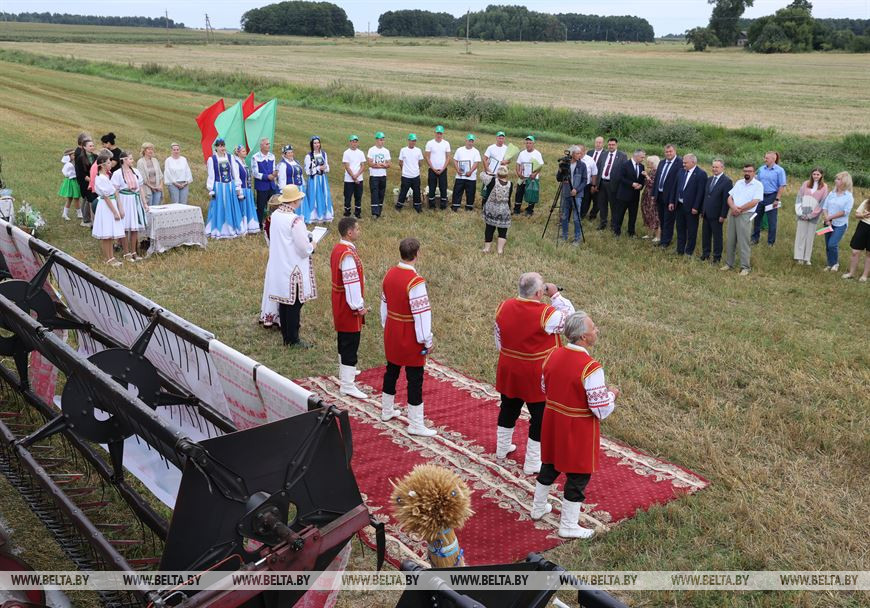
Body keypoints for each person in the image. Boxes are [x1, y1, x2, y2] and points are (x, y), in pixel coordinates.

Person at [530, 311, 618, 539]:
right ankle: (568, 525)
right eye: (593, 328)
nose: (596, 330)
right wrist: (612, 395)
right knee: (578, 475)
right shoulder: (591, 368)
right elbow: (600, 409)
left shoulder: (552, 355)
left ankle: (537, 508)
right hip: (577, 427)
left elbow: (543, 388)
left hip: (553, 421)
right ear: (583, 338)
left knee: (549, 464)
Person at [494, 273, 575, 475]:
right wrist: (555, 295)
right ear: (540, 293)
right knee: (540, 417)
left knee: (508, 406)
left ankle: (501, 449)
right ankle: (532, 462)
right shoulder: (547, 314)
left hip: (509, 367)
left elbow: (498, 338)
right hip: (536, 374)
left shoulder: (503, 306)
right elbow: (572, 321)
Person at [380, 238, 437, 436]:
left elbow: (384, 304)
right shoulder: (415, 282)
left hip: (393, 329)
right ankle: (416, 424)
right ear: (417, 254)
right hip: (410, 334)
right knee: (415, 379)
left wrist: (386, 325)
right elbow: (421, 314)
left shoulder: (389, 274)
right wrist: (426, 339)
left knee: (392, 370)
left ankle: (386, 410)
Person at [260, 185, 317, 346]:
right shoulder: (295, 220)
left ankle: (286, 334)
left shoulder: (276, 215)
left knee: (285, 301)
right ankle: (292, 338)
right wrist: (313, 245)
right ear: (295, 200)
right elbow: (303, 247)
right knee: (294, 303)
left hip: (280, 263)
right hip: (294, 266)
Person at [331, 217, 368, 398]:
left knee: (344, 339)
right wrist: (358, 306)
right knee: (350, 342)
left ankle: (346, 372)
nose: (359, 231)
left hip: (339, 301)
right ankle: (347, 384)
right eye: (357, 229)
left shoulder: (339, 249)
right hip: (348, 305)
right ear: (349, 232)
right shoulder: (347, 255)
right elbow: (351, 282)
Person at [721, 164, 763, 276]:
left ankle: (745, 267)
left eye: (749, 171)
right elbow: (729, 197)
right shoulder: (739, 183)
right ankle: (729, 264)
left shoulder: (758, 185)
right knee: (730, 240)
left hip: (745, 215)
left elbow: (755, 201)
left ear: (754, 173)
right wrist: (733, 207)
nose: (747, 173)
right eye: (745, 171)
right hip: (733, 213)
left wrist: (740, 209)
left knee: (743, 241)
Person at [111, 150, 147, 261]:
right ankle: (126, 253)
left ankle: (134, 252)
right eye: (130, 159)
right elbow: (115, 190)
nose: (132, 160)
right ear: (124, 160)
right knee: (125, 228)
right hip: (125, 200)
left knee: (134, 228)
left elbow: (140, 188)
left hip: (135, 201)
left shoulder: (135, 171)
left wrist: (144, 203)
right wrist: (119, 206)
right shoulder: (117, 174)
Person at [205, 139, 243, 239]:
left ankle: (232, 228)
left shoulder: (230, 158)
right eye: (220, 146)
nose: (222, 148)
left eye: (223, 146)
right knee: (220, 207)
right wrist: (211, 188)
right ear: (216, 148)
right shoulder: (212, 159)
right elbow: (211, 175)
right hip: (219, 187)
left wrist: (237, 186)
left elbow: (235, 173)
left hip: (230, 186)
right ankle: (219, 229)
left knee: (231, 207)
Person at [91, 153, 125, 267]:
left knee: (109, 234)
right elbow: (106, 196)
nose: (111, 164)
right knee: (106, 234)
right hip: (106, 207)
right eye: (109, 162)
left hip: (111, 204)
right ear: (103, 165)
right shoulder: (100, 178)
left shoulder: (106, 177)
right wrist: (115, 212)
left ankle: (112, 257)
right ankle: (108, 258)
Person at [672, 154, 707, 256]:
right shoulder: (681, 171)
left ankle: (689, 251)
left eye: (685, 162)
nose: (683, 164)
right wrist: (672, 201)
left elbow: (700, 193)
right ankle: (680, 250)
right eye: (683, 162)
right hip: (679, 205)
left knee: (691, 231)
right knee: (680, 228)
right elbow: (676, 187)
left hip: (692, 208)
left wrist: (696, 207)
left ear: (693, 162)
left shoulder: (701, 174)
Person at [700, 159, 733, 264]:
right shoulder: (709, 179)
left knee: (717, 236)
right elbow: (705, 196)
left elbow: (726, 200)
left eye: (717, 167)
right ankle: (705, 254)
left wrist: (723, 215)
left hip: (717, 214)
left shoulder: (727, 181)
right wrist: (702, 210)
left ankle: (716, 257)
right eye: (713, 167)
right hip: (706, 213)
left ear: (722, 168)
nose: (714, 169)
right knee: (706, 235)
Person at [792, 168, 828, 266]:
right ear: (811, 175)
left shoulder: (824, 187)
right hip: (802, 214)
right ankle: (799, 257)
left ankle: (807, 258)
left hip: (813, 216)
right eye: (814, 174)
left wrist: (811, 215)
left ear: (821, 175)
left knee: (810, 236)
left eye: (818, 174)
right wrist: (800, 213)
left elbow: (822, 203)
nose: (816, 176)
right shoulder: (805, 184)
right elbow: (799, 197)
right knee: (800, 235)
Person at [820, 171, 854, 272]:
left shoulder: (848, 196)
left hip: (840, 224)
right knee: (827, 245)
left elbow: (845, 212)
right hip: (828, 222)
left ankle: (835, 264)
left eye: (839, 179)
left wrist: (830, 217)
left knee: (832, 244)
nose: (836, 181)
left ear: (844, 182)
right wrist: (827, 219)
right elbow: (825, 207)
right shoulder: (832, 193)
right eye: (836, 179)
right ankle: (830, 264)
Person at [752, 151, 787, 246]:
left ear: (773, 159)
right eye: (765, 157)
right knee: (757, 218)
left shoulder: (779, 170)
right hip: (760, 196)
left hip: (772, 196)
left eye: (767, 158)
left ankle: (770, 242)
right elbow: (756, 182)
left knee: (772, 221)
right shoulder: (761, 169)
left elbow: (781, 186)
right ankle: (755, 238)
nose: (765, 160)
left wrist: (777, 199)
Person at [591, 137, 625, 229]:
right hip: (602, 183)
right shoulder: (604, 154)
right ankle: (603, 223)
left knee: (613, 206)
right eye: (609, 144)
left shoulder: (622, 156)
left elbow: (623, 172)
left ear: (616, 145)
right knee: (602, 204)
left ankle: (613, 225)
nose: (611, 146)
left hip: (613, 185)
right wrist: (596, 184)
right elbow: (598, 169)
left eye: (613, 145)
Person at [612, 149, 646, 237]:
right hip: (624, 194)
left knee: (633, 215)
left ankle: (631, 232)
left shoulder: (642, 166)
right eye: (642, 157)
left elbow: (642, 179)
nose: (643, 159)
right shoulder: (625, 165)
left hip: (635, 195)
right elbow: (620, 178)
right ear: (636, 156)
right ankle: (616, 231)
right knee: (620, 214)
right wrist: (631, 184)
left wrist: (641, 186)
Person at [652, 144, 681, 248]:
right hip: (659, 195)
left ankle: (666, 242)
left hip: (670, 197)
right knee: (662, 218)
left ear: (675, 151)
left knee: (669, 220)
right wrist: (653, 194)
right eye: (666, 152)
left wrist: (673, 199)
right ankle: (662, 239)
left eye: (670, 151)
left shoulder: (680, 163)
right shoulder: (662, 162)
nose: (668, 153)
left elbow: (678, 183)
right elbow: (657, 179)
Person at [481, 165, 513, 254]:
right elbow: (509, 198)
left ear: (497, 173)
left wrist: (490, 172)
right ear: (507, 174)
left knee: (489, 228)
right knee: (503, 230)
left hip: (491, 209)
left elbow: (482, 174)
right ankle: (500, 250)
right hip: (504, 210)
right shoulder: (510, 184)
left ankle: (487, 249)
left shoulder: (491, 181)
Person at [559, 145, 588, 244]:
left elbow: (585, 181)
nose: (580, 155)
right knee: (564, 215)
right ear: (572, 154)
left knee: (576, 217)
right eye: (578, 153)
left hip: (577, 195)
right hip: (566, 193)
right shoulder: (565, 164)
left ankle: (577, 238)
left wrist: (577, 190)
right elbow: (558, 178)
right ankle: (564, 236)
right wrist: (561, 173)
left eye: (580, 153)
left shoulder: (582, 165)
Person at [232, 144, 261, 234]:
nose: (245, 153)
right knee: (243, 208)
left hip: (248, 189)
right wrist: (239, 190)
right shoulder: (236, 163)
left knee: (249, 207)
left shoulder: (243, 162)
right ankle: (242, 226)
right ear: (238, 153)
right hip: (242, 189)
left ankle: (250, 226)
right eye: (243, 151)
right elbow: (236, 177)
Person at [304, 136, 333, 223]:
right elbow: (307, 171)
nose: (317, 145)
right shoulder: (309, 156)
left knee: (324, 195)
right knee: (315, 196)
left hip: (322, 179)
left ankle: (325, 214)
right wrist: (317, 168)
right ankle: (315, 216)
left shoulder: (324, 154)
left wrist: (325, 168)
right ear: (312, 145)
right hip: (314, 180)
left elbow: (327, 166)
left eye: (318, 143)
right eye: (315, 143)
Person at [251, 137, 278, 228]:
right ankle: (259, 224)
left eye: (269, 144)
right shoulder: (255, 157)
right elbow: (255, 173)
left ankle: (273, 224)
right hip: (262, 186)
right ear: (261, 146)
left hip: (271, 185)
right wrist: (267, 176)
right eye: (266, 144)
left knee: (273, 205)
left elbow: (274, 168)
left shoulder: (272, 156)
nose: (268, 145)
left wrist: (275, 173)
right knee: (261, 206)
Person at [514, 136, 544, 216]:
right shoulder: (522, 153)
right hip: (522, 177)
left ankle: (529, 211)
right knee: (519, 193)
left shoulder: (537, 154)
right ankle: (516, 210)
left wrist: (535, 174)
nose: (528, 144)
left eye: (530, 143)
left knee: (531, 194)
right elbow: (518, 164)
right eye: (527, 143)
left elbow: (540, 165)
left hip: (533, 178)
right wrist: (518, 173)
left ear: (533, 144)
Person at [842, 198, 870, 282]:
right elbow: (857, 215)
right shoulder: (866, 202)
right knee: (855, 252)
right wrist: (863, 215)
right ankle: (851, 273)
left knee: (869, 254)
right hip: (863, 226)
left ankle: (864, 276)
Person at [451, 134, 481, 211]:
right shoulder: (459, 150)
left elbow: (476, 162)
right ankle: (455, 206)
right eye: (469, 141)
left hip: (471, 176)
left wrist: (470, 171)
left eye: (472, 141)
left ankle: (469, 207)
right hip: (460, 175)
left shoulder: (476, 151)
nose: (470, 143)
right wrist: (457, 169)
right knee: (457, 191)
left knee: (470, 193)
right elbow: (455, 160)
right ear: (466, 141)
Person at [277, 145, 307, 220]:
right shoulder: (283, 164)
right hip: (291, 189)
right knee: (293, 204)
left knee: (301, 204)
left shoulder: (296, 162)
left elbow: (300, 174)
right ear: (284, 154)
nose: (290, 154)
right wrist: (282, 190)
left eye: (291, 152)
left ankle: (302, 218)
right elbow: (282, 178)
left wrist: (303, 184)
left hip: (299, 187)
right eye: (288, 153)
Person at [424, 126, 451, 210]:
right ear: (435, 133)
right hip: (432, 169)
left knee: (443, 188)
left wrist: (443, 169)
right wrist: (433, 168)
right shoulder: (430, 143)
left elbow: (448, 157)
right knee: (432, 187)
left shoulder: (446, 143)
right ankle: (432, 205)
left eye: (440, 133)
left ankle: (443, 205)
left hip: (442, 170)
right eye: (437, 133)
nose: (439, 135)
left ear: (442, 134)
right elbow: (427, 156)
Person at [397, 134, 424, 213]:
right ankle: (399, 206)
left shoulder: (418, 150)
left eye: (414, 141)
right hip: (406, 176)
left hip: (415, 175)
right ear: (408, 141)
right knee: (403, 191)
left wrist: (416, 169)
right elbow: (400, 162)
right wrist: (404, 170)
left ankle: (417, 207)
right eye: (411, 140)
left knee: (417, 191)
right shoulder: (403, 150)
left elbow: (420, 162)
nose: (413, 142)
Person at [74, 135, 97, 226]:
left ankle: (93, 220)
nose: (92, 147)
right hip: (86, 183)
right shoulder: (81, 158)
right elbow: (81, 174)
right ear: (84, 147)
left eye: (93, 146)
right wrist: (91, 180)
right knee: (91, 201)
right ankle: (91, 222)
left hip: (95, 182)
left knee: (94, 201)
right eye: (90, 146)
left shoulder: (96, 157)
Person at [367, 132, 391, 219]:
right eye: (380, 140)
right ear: (376, 140)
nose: (382, 141)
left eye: (383, 140)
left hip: (383, 175)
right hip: (374, 176)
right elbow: (369, 162)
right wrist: (377, 165)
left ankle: (379, 211)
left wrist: (384, 165)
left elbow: (389, 163)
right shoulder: (371, 150)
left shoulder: (386, 151)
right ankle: (374, 212)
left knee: (381, 193)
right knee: (374, 193)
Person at [342, 135, 366, 219]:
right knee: (347, 196)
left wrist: (357, 176)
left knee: (358, 196)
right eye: (353, 142)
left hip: (359, 179)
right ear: (350, 142)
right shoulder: (346, 153)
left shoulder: (361, 153)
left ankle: (357, 213)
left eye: (356, 142)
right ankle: (347, 212)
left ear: (357, 143)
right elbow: (347, 166)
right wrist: (353, 177)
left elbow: (363, 166)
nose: (354, 143)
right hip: (349, 179)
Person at [137, 142, 163, 208]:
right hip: (147, 189)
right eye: (149, 149)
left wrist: (160, 186)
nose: (151, 151)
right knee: (149, 208)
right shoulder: (140, 162)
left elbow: (160, 175)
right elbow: (143, 178)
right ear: (144, 151)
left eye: (152, 149)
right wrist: (153, 187)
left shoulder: (155, 160)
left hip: (157, 188)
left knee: (156, 208)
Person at [639, 155, 659, 240]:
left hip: (652, 196)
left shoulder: (657, 172)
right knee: (646, 213)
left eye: (649, 162)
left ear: (653, 163)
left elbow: (653, 184)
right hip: (646, 195)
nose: (647, 163)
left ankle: (658, 236)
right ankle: (649, 234)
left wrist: (646, 175)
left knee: (654, 215)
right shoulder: (651, 171)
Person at [58, 148, 81, 221]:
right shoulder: (68, 165)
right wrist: (69, 175)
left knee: (76, 198)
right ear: (68, 156)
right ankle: (65, 214)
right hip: (71, 181)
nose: (74, 156)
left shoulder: (72, 163)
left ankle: (79, 213)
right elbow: (64, 172)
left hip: (74, 181)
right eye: (73, 155)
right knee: (71, 198)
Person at [585, 136, 605, 220]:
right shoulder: (589, 152)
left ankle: (592, 215)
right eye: (597, 142)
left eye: (600, 142)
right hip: (587, 180)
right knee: (586, 198)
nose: (598, 144)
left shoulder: (606, 154)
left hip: (598, 181)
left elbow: (602, 170)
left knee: (597, 200)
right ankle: (583, 213)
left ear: (603, 144)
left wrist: (596, 184)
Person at [578, 144, 598, 219]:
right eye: (577, 152)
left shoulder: (590, 160)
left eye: (581, 152)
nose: (579, 153)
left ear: (584, 151)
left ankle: (582, 215)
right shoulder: (573, 158)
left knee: (585, 201)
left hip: (585, 185)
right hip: (574, 184)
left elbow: (594, 173)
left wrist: (593, 185)